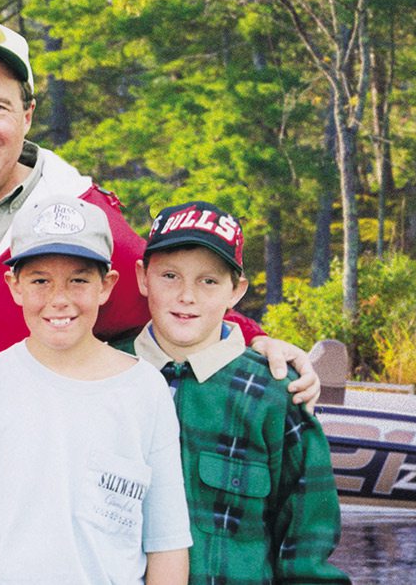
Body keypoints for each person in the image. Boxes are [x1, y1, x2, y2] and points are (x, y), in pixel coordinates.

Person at [0, 18, 321, 583]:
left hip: (40, 506)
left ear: (26, 116)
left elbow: (166, 289)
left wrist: (249, 333)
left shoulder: (80, 216)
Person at [0, 194, 192, 584]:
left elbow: (166, 541)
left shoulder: (145, 390)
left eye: (78, 280)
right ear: (14, 285)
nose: (59, 299)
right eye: (40, 280)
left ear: (106, 285)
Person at [129, 201, 348, 583]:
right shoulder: (99, 373)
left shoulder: (277, 395)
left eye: (208, 281)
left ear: (237, 290)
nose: (187, 296)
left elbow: (307, 554)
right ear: (143, 277)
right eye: (169, 276)